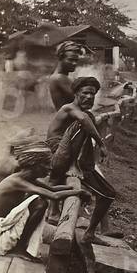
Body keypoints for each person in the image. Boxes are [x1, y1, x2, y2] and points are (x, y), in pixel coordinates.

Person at [0, 142, 84, 258]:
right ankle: (19, 248)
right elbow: (54, 196)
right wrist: (79, 192)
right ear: (34, 164)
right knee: (40, 203)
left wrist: (72, 188)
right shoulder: (16, 181)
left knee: (38, 201)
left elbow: (52, 189)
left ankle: (21, 246)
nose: (50, 167)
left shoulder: (25, 177)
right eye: (46, 164)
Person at [46, 76, 117, 244]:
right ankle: (54, 209)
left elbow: (85, 141)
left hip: (73, 159)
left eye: (93, 94)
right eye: (85, 93)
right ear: (76, 93)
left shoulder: (87, 115)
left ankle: (91, 233)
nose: (89, 97)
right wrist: (102, 145)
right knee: (83, 121)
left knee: (109, 194)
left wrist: (88, 165)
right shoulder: (68, 109)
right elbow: (83, 122)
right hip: (55, 157)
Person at [49, 41, 84, 110]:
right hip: (70, 120)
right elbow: (82, 101)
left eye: (76, 60)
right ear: (61, 58)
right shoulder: (59, 78)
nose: (74, 63)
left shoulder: (58, 76)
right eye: (70, 60)